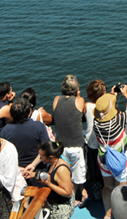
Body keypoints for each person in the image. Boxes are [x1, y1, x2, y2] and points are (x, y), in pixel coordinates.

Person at [93, 85, 127, 219]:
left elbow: (105, 112)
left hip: (104, 160)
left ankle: (108, 213)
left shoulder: (96, 122)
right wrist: (124, 94)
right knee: (121, 190)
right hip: (120, 160)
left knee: (108, 187)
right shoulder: (118, 120)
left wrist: (112, 96)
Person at [52, 74, 87, 204]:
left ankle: (82, 193)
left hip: (60, 146)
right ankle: (72, 200)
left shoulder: (56, 99)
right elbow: (82, 111)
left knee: (66, 173)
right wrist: (78, 95)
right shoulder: (80, 100)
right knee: (77, 176)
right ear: (76, 89)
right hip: (76, 145)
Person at [0, 97, 50, 172]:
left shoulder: (5, 130)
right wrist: (33, 165)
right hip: (37, 170)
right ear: (29, 113)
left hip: (15, 171)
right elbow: (46, 149)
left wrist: (17, 167)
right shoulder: (39, 127)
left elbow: (2, 154)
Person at [37, 141, 75, 219]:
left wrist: (48, 183)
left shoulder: (61, 169)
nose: (40, 159)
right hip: (53, 204)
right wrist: (33, 174)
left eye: (42, 157)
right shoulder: (54, 162)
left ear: (50, 157)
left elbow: (68, 193)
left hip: (61, 209)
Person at [85, 79, 107, 201]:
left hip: (91, 144)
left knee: (94, 172)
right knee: (105, 170)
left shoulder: (87, 106)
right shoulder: (106, 107)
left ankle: (97, 193)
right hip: (103, 145)